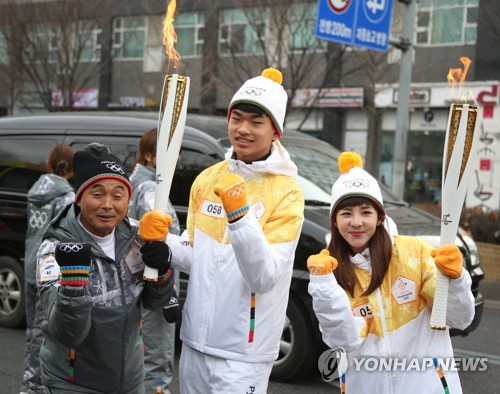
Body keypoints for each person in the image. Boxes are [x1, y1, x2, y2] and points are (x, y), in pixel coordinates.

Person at [140, 67, 305, 392]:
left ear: (275, 132)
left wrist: (241, 218)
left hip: (244, 353)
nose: (243, 129)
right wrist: (165, 244)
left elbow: (264, 276)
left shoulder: (287, 192)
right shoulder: (208, 179)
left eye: (256, 122)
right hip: (194, 341)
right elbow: (199, 254)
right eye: (237, 118)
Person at [307, 152, 475, 394]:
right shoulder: (329, 269)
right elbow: (344, 342)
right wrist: (323, 285)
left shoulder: (414, 255)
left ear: (379, 218)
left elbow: (459, 319)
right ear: (335, 221)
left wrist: (457, 279)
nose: (356, 222)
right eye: (346, 214)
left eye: (366, 212)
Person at [36, 143, 176, 393]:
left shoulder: (136, 237)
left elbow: (154, 303)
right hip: (73, 384)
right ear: (79, 198)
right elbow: (68, 333)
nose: (108, 204)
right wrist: (73, 286)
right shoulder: (55, 249)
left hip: (130, 380)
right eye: (98, 194)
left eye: (118, 195)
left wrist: (161, 272)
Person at [128, 128, 180, 394]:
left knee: (139, 362)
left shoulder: (137, 184)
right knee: (156, 366)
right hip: (156, 289)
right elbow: (158, 244)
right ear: (149, 155)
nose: (176, 158)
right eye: (169, 153)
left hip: (140, 289)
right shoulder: (150, 189)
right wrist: (169, 294)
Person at [21, 144, 75, 394]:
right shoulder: (66, 197)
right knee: (46, 332)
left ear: (49, 162)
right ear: (71, 169)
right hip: (49, 270)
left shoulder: (36, 190)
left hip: (31, 261)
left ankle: (29, 384)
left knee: (33, 331)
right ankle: (38, 387)